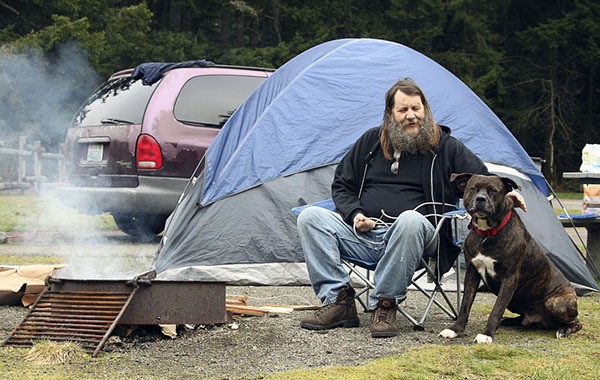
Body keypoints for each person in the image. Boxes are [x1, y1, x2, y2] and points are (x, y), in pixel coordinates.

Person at [296, 78, 525, 338]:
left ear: (425, 109)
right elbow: (342, 185)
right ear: (389, 114)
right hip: (366, 233)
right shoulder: (370, 142)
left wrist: (510, 194)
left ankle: (385, 304)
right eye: (403, 110)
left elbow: (483, 180)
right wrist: (355, 214)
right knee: (310, 217)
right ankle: (339, 302)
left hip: (419, 237)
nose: (411, 116)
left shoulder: (445, 146)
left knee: (409, 220)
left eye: (416, 108)